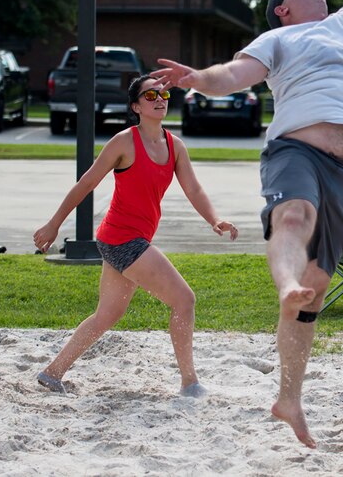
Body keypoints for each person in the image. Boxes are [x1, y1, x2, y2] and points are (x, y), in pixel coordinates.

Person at [150, 0, 343, 448]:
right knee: (292, 221)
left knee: (315, 289)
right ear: (282, 9)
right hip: (294, 151)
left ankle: (289, 396)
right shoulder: (277, 41)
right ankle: (282, 282)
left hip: (342, 169)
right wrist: (197, 79)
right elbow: (232, 76)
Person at [32, 75, 237, 398]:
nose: (160, 99)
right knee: (184, 300)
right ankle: (190, 382)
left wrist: (215, 219)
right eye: (151, 94)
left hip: (128, 238)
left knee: (107, 315)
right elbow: (86, 184)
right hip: (122, 238)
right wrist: (54, 224)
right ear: (135, 106)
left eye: (165, 94)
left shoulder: (174, 145)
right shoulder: (124, 142)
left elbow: (193, 188)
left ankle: (52, 373)